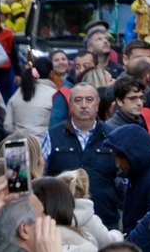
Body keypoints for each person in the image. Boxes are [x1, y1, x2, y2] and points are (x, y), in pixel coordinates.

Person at [43, 85, 121, 229]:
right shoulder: (53, 135)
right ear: (70, 105)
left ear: (97, 104)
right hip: (63, 220)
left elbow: (124, 178)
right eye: (78, 100)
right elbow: (42, 175)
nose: (84, 105)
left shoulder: (114, 136)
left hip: (105, 219)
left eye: (89, 100)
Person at [107, 124, 150, 234]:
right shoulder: (138, 173)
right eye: (114, 157)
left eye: (120, 157)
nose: (117, 164)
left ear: (136, 153)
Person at [7, 56, 58, 138]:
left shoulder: (17, 93)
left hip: (19, 145)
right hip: (44, 146)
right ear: (51, 74)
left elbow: (8, 126)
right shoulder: (55, 95)